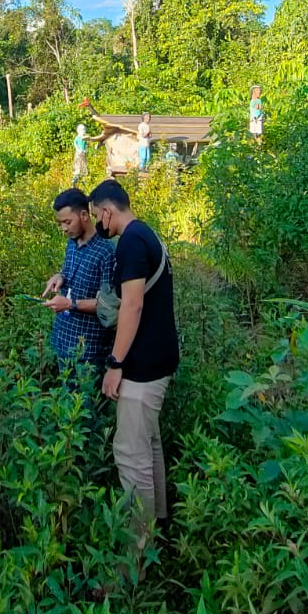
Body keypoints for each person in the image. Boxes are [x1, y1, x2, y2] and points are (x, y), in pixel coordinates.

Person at [88, 179, 179, 524]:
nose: (98, 223)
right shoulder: (147, 235)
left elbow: (132, 306)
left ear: (108, 212)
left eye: (98, 216)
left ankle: (135, 555)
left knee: (130, 454)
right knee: (148, 446)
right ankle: (158, 526)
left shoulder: (130, 244)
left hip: (143, 366)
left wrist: (115, 362)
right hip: (159, 357)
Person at [42, 188, 116, 372]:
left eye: (67, 222)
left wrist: (70, 304)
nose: (64, 228)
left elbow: (109, 306)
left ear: (84, 215)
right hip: (63, 341)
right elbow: (68, 272)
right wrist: (60, 277)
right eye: (60, 223)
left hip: (89, 352)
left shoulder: (106, 252)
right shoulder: (72, 243)